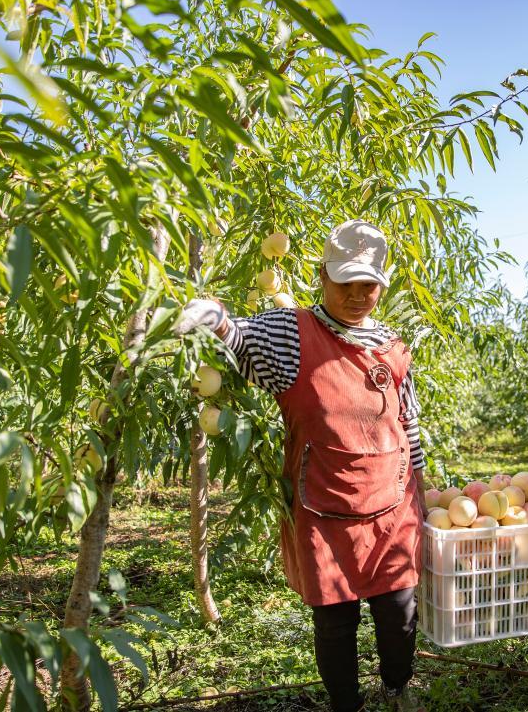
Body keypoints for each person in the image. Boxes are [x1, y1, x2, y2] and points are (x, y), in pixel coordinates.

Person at [176, 220, 427, 712]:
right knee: (335, 621)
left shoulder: (392, 344)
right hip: (325, 502)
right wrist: (215, 317)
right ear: (321, 276)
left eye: (369, 285)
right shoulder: (293, 332)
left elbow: (407, 419)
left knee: (399, 613)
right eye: (346, 283)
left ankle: (398, 688)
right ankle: (346, 705)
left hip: (394, 503)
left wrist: (424, 482)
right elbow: (241, 340)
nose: (358, 294)